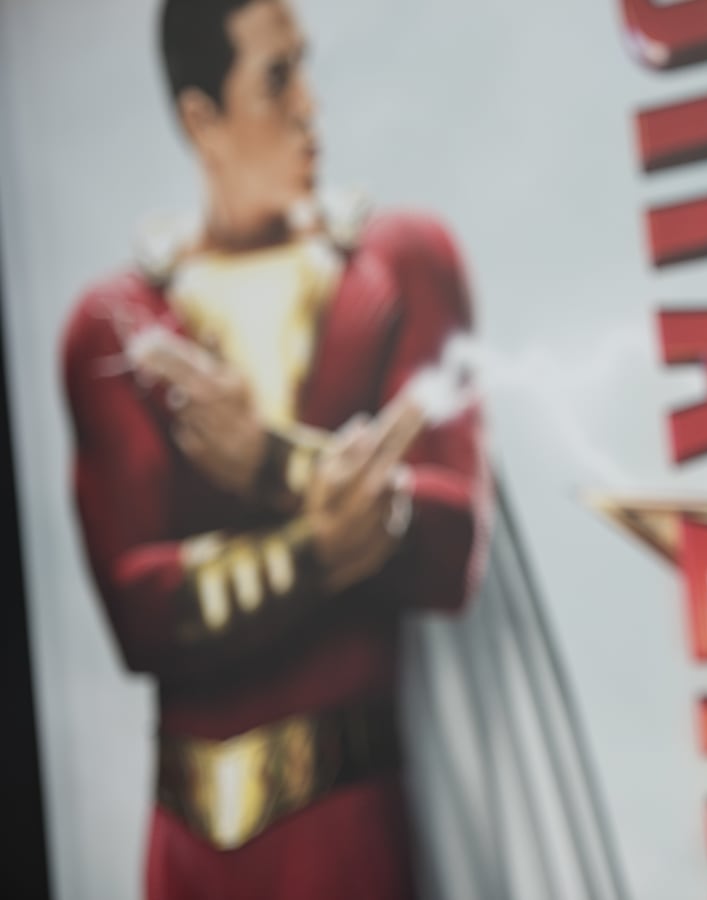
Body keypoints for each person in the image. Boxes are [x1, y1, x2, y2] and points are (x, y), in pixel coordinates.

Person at [59, 0, 488, 896]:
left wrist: (271, 467)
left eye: (305, 68)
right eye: (277, 78)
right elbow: (139, 613)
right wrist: (321, 549)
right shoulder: (118, 327)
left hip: (348, 830)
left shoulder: (400, 262)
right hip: (184, 845)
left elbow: (450, 549)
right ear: (200, 118)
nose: (309, 109)